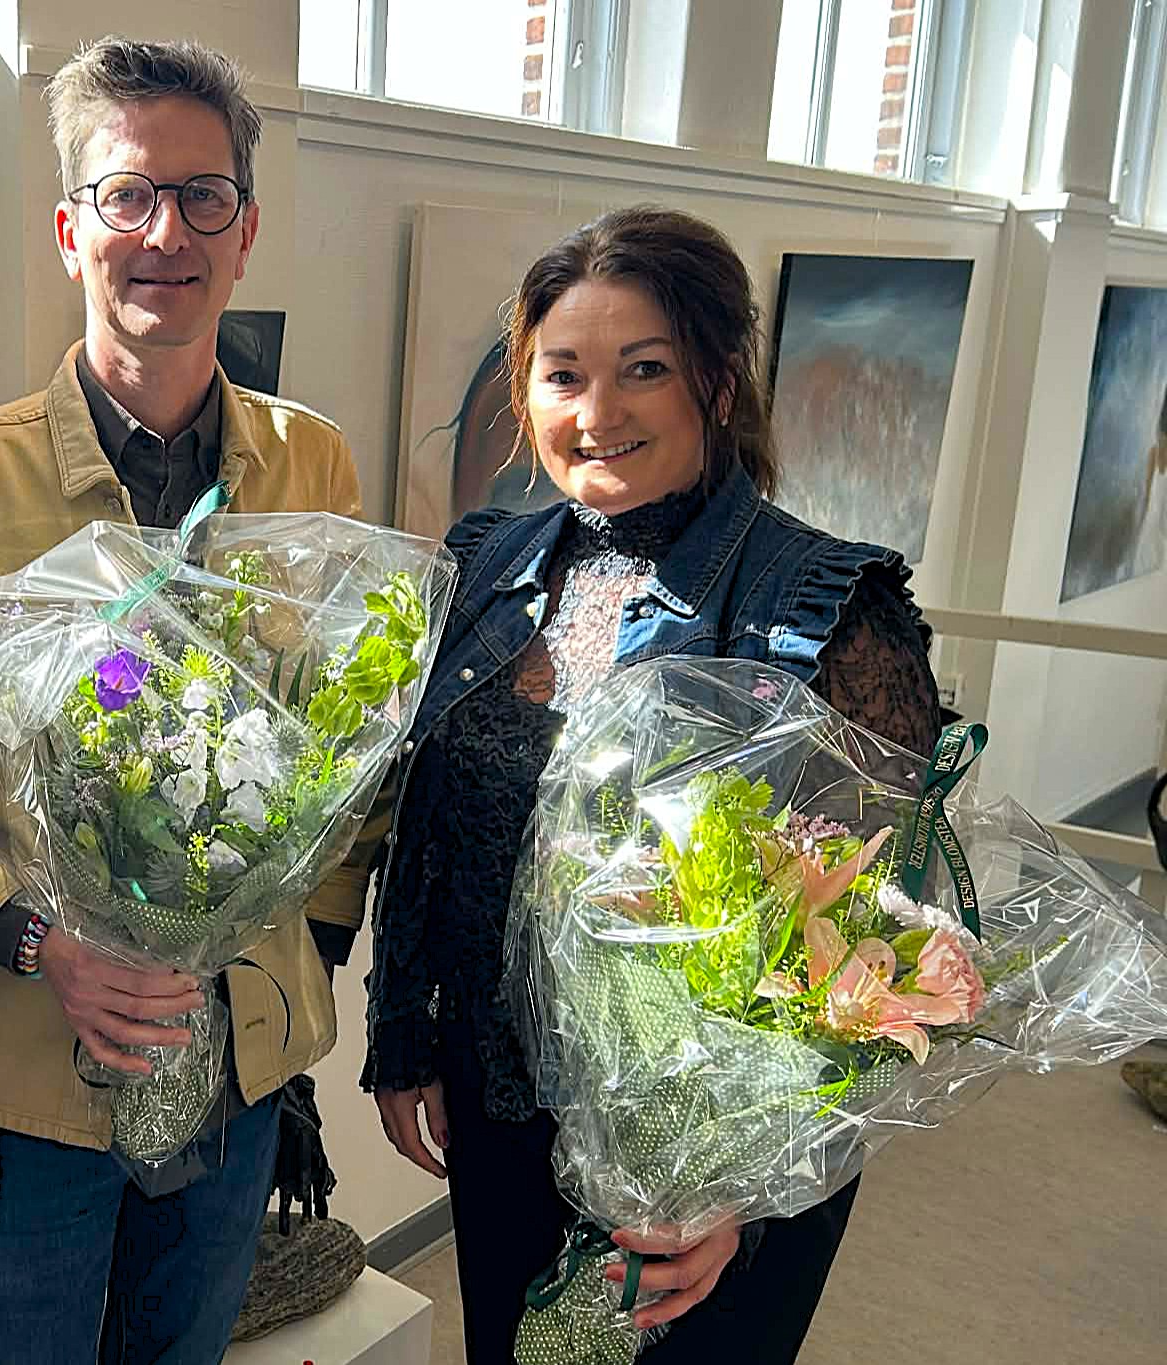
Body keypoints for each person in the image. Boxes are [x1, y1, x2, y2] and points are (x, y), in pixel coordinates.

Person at [0, 36, 368, 1365]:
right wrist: (29, 937)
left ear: (246, 233)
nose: (165, 232)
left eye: (203, 196)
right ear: (71, 231)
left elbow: (352, 736)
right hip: (34, 1068)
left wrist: (304, 949)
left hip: (242, 1055)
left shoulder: (313, 465)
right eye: (128, 195)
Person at [363, 206, 944, 1362]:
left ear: (716, 384)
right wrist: (403, 1033)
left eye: (642, 370)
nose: (595, 413)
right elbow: (426, 820)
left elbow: (874, 947)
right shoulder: (486, 563)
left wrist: (737, 1186)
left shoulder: (828, 608)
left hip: (709, 1163)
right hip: (498, 1108)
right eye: (561, 375)